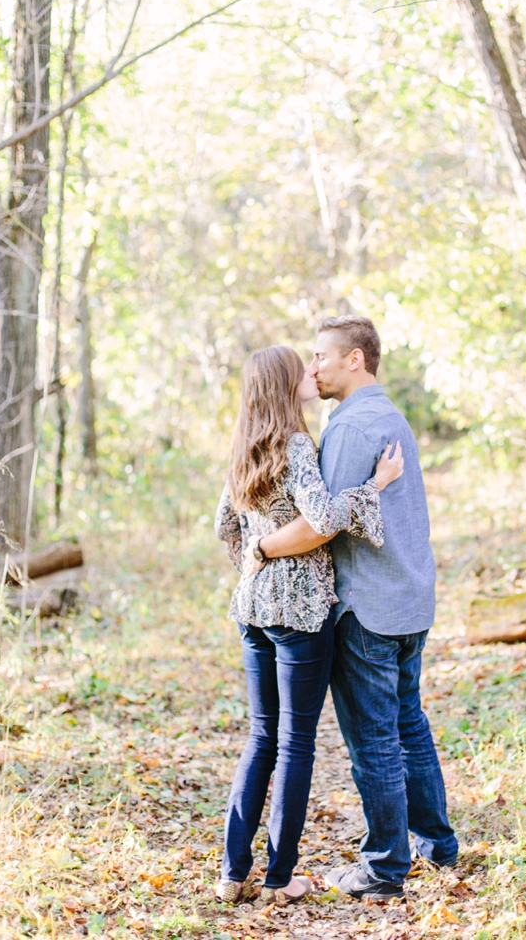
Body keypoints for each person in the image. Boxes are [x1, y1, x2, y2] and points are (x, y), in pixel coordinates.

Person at [243, 316, 458, 902]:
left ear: (355, 360)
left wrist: (259, 547)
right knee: (408, 724)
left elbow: (320, 524)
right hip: (410, 598)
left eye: (321, 357)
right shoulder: (390, 417)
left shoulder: (348, 430)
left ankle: (385, 867)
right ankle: (434, 844)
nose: (313, 368)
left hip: (366, 607)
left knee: (375, 741)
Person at [214, 344, 404, 906]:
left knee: (260, 737)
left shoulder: (241, 447)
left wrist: (254, 560)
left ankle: (231, 873)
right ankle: (278, 880)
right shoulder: (296, 444)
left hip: (252, 608)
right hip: (299, 613)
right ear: (281, 384)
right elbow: (321, 519)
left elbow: (224, 525)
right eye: (302, 368)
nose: (311, 373)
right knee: (295, 744)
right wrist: (376, 485)